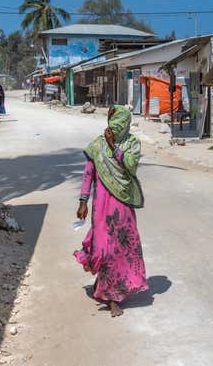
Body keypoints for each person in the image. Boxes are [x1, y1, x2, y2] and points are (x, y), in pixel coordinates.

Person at [74, 105, 148, 317]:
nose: (114, 127)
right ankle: (107, 288)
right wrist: (83, 201)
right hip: (102, 207)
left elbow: (130, 165)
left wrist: (114, 146)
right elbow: (88, 175)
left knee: (121, 250)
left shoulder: (132, 144)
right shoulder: (97, 146)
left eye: (119, 123)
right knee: (104, 250)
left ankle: (112, 296)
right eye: (111, 122)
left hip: (122, 205)